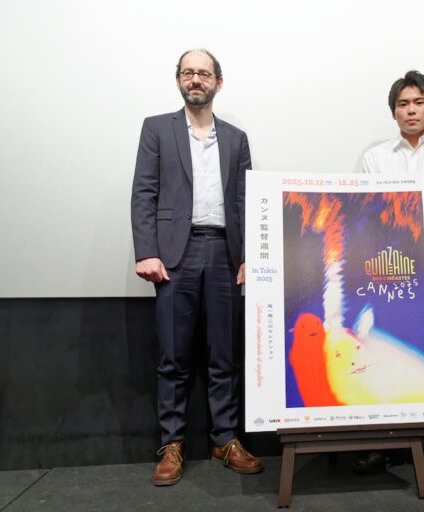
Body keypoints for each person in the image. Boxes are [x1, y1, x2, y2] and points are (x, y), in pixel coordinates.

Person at [131, 49, 262, 485]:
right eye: (188, 72)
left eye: (204, 73)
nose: (195, 79)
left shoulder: (236, 138)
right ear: (178, 80)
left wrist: (250, 256)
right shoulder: (156, 129)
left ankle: (225, 439)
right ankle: (172, 443)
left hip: (224, 252)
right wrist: (146, 250)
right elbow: (144, 192)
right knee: (173, 356)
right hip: (175, 254)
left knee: (224, 355)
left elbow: (246, 200)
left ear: (217, 83)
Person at [356, 70, 424, 474]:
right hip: (384, 284)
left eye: (419, 102)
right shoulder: (375, 159)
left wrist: (409, 258)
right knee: (383, 363)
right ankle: (382, 446)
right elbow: (369, 213)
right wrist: (395, 262)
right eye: (403, 104)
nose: (411, 110)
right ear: (394, 112)